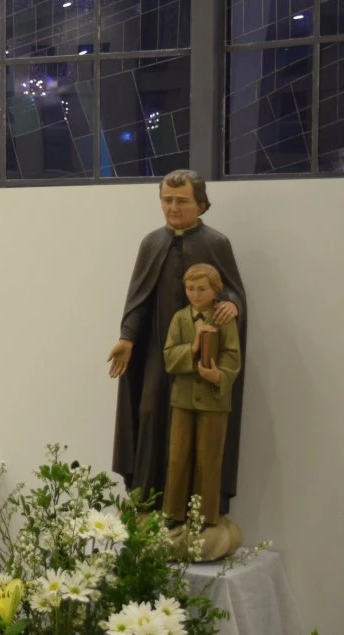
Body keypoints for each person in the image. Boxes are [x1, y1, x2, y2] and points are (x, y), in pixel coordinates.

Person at [107, 169, 247, 515]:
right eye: (166, 200)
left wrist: (232, 304)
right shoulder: (151, 243)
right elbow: (139, 298)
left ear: (201, 204)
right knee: (149, 411)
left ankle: (193, 509)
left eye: (181, 201)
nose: (173, 207)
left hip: (204, 351)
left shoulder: (215, 243)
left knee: (199, 428)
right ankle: (148, 497)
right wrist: (127, 338)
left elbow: (231, 289)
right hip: (158, 349)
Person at [162, 264, 241, 527]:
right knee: (177, 457)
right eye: (190, 288)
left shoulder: (223, 318)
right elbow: (169, 356)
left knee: (208, 458)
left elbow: (232, 355)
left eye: (202, 289)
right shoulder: (180, 318)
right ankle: (173, 512)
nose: (195, 294)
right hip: (183, 399)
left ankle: (205, 515)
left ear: (215, 290)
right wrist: (192, 348)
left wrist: (218, 376)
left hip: (214, 402)